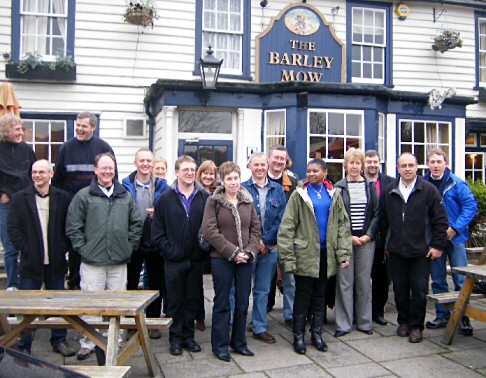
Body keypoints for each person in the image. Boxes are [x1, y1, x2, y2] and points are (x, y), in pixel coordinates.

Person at [66, 152, 142, 359]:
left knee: (116, 303)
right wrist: (83, 248)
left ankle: (114, 339)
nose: (108, 171)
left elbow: (136, 224)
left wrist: (129, 246)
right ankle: (89, 341)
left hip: (119, 261)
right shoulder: (84, 196)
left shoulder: (124, 195)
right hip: (93, 262)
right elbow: (73, 226)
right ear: (96, 170)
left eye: (111, 168)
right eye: (104, 167)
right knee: (91, 303)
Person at [278, 158, 352, 355]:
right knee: (303, 295)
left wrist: (343, 253)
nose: (310, 174)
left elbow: (343, 226)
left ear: (325, 173)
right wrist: (288, 258)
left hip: (326, 254)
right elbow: (286, 228)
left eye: (315, 171)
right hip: (304, 254)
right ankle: (298, 336)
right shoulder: (298, 195)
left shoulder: (333, 195)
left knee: (320, 295)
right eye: (309, 171)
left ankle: (317, 334)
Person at [7, 160, 75, 357]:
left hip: (56, 262)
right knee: (28, 308)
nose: (37, 175)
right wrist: (26, 249)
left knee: (57, 305)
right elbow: (13, 228)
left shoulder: (63, 198)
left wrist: (63, 247)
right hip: (30, 263)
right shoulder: (20, 199)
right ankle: (25, 343)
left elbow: (70, 227)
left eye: (41, 172)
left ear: (51, 174)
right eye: (34, 172)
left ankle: (59, 340)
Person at [380, 152, 448, 343]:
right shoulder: (388, 191)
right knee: (400, 290)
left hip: (421, 251)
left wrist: (437, 245)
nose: (407, 169)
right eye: (404, 166)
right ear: (398, 168)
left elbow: (440, 220)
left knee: (419, 290)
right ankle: (403, 322)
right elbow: (383, 221)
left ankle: (417, 326)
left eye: (411, 165)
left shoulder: (428, 190)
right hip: (396, 251)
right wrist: (387, 243)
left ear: (417, 167)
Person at [202, 162, 261, 362]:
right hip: (221, 259)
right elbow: (210, 231)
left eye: (236, 177)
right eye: (229, 178)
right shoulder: (214, 202)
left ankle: (239, 343)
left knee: (243, 302)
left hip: (246, 260)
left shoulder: (247, 201)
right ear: (222, 181)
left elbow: (255, 229)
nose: (233, 182)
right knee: (222, 302)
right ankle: (220, 346)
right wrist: (233, 252)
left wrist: (250, 251)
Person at [152, 155, 209, 356]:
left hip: (195, 258)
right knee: (175, 301)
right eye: (185, 169)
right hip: (173, 260)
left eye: (192, 169)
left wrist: (202, 250)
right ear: (176, 172)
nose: (189, 173)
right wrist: (169, 250)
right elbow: (157, 231)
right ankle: (175, 338)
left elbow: (210, 227)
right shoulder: (165, 198)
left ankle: (188, 337)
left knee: (192, 299)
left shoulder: (204, 198)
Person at [52, 112, 116, 294]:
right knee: (74, 246)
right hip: (71, 206)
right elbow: (57, 180)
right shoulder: (66, 148)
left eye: (84, 126)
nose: (79, 129)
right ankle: (73, 283)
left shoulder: (103, 147)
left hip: (97, 207)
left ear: (93, 128)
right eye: (78, 125)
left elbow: (112, 177)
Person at [423, 148, 478, 335]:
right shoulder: (423, 183)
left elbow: (470, 206)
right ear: (428, 164)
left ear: (446, 163)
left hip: (456, 239)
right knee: (438, 280)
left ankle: (463, 317)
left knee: (461, 280)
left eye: (439, 161)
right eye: (432, 161)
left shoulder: (456, 182)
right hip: (435, 240)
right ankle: (442, 316)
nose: (436, 165)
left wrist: (455, 228)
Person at [122, 148, 169, 340]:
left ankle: (152, 322)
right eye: (142, 161)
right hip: (133, 241)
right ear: (135, 163)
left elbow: (168, 210)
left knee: (154, 284)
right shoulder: (125, 185)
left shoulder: (162, 186)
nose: (146, 164)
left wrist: (157, 213)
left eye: (149, 161)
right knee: (131, 283)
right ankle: (131, 322)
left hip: (154, 241)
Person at [334, 148, 379, 337]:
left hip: (366, 241)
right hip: (345, 241)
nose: (354, 166)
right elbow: (335, 218)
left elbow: (377, 214)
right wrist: (348, 237)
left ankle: (365, 322)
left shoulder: (370, 187)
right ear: (345, 165)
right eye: (351, 163)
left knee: (363, 282)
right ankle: (344, 324)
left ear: (362, 165)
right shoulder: (338, 188)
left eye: (358, 163)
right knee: (344, 283)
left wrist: (369, 235)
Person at [242, 152, 286, 344]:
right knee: (242, 289)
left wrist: (265, 241)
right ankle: (237, 326)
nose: (260, 168)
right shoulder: (242, 189)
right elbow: (240, 221)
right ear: (249, 166)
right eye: (256, 165)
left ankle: (260, 327)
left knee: (262, 290)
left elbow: (281, 220)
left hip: (270, 249)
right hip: (247, 249)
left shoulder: (278, 190)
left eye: (262, 165)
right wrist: (255, 242)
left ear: (267, 167)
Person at [0, 114, 36, 290]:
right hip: (6, 203)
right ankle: (12, 284)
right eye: (17, 129)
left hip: (26, 201)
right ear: (6, 131)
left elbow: (34, 171)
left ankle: (29, 282)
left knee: (30, 241)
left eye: (21, 129)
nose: (21, 132)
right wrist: (1, 194)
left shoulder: (26, 149)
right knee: (10, 245)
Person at [267, 145, 297, 326]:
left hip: (288, 239)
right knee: (265, 281)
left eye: (282, 159)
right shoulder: (260, 179)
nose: (279, 161)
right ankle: (263, 312)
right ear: (269, 159)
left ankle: (290, 315)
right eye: (276, 158)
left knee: (290, 280)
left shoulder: (293, 183)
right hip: (267, 238)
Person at [364, 150, 395, 326]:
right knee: (360, 278)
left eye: (375, 162)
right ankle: (359, 311)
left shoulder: (390, 182)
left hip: (383, 238)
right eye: (369, 162)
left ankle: (377, 311)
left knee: (381, 277)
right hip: (363, 237)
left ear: (379, 163)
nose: (372, 165)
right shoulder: (358, 181)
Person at [194, 160, 219, 332]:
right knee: (197, 283)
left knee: (219, 282)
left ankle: (219, 315)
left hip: (216, 243)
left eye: (211, 173)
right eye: (205, 173)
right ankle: (199, 316)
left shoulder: (219, 193)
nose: (208, 176)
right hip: (198, 242)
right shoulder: (194, 192)